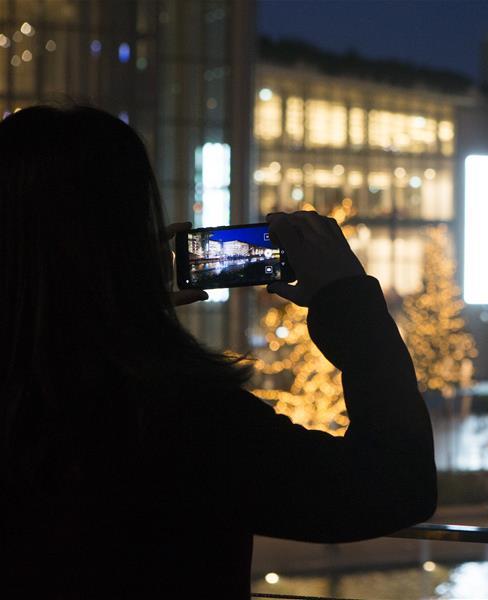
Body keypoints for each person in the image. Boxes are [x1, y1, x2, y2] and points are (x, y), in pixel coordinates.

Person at [0, 105, 437, 598]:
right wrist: (350, 302)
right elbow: (396, 485)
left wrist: (107, 303)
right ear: (122, 244)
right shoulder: (177, 416)